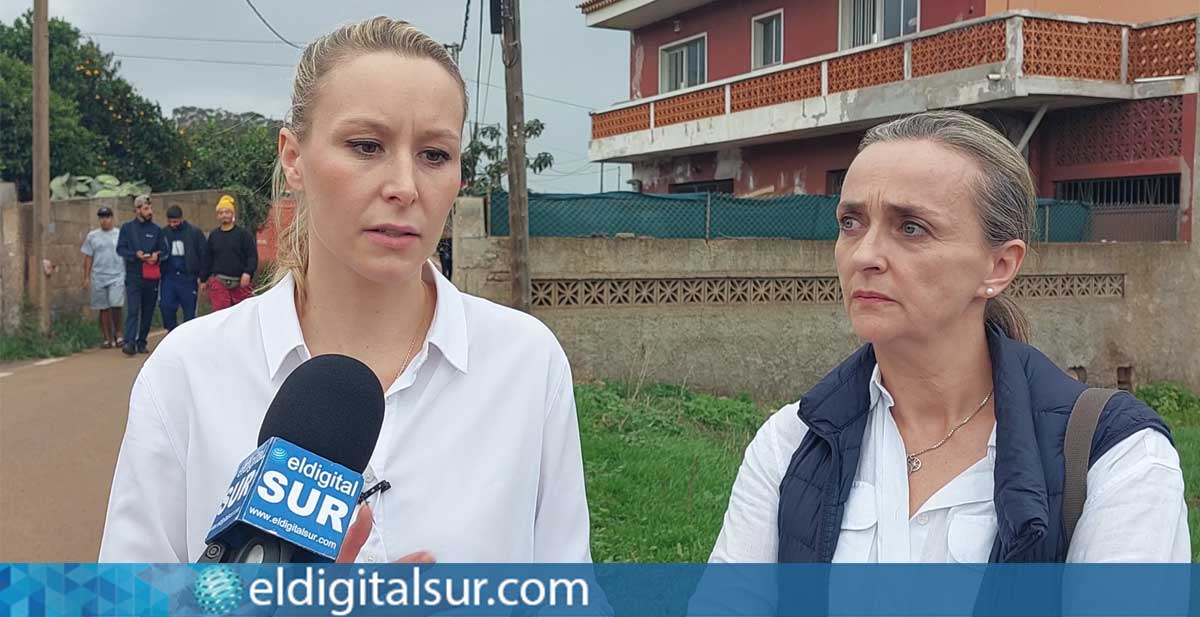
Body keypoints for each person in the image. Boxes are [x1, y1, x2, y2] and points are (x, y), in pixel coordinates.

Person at [99, 17, 590, 564]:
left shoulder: (526, 362)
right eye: (365, 145)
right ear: (293, 158)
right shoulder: (188, 373)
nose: (404, 187)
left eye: (435, 154)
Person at [709, 111, 1188, 564]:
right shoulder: (793, 442)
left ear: (999, 266)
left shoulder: (1117, 459)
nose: (865, 255)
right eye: (851, 223)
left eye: (911, 228)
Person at [115, 194, 167, 355]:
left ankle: (142, 341)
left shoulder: (157, 230)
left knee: (148, 310)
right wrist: (134, 255)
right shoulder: (127, 228)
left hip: (151, 276)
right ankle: (129, 342)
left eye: (150, 208)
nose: (149, 211)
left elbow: (165, 251)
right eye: (146, 208)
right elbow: (120, 249)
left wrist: (156, 256)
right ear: (137, 210)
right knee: (132, 309)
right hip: (133, 275)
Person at [202, 195, 258, 311]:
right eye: (221, 213)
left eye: (227, 212)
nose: (224, 215)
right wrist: (204, 279)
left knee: (243, 314)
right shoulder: (214, 236)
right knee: (221, 315)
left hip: (241, 282)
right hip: (219, 282)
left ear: (232, 214)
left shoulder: (243, 235)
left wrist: (247, 273)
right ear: (218, 216)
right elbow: (207, 258)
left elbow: (252, 256)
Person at [80, 206, 124, 349]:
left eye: (107, 217)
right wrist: (86, 277)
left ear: (112, 218)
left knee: (116, 304)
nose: (104, 220)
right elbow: (88, 257)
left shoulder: (120, 234)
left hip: (117, 274)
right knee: (103, 307)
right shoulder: (92, 236)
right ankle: (107, 338)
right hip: (99, 275)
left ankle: (118, 333)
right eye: (101, 218)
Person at [159, 205, 207, 331]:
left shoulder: (194, 232)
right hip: (169, 277)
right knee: (166, 306)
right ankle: (172, 332)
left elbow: (203, 254)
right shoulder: (164, 233)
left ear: (181, 219)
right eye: (170, 222)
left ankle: (188, 337)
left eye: (175, 221)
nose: (173, 224)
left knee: (189, 312)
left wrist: (203, 277)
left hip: (188, 278)